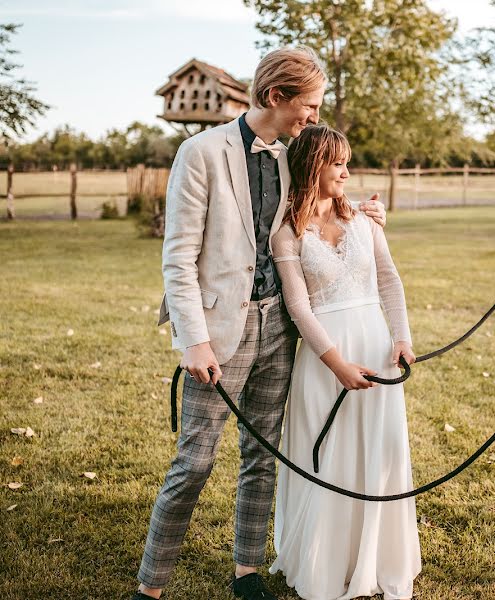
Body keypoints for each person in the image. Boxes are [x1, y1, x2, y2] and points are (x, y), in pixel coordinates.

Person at [134, 47, 386, 600]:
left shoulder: (293, 155)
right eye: (310, 106)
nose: (314, 117)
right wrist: (194, 340)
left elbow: (322, 201)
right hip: (220, 332)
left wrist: (366, 214)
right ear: (277, 97)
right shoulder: (200, 152)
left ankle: (246, 573)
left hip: (283, 329)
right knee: (195, 460)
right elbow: (178, 258)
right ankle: (150, 587)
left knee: (262, 455)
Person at [269, 123, 421, 600]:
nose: (348, 173)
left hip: (376, 347)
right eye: (339, 164)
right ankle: (325, 563)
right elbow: (299, 308)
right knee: (329, 456)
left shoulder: (363, 220)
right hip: (324, 358)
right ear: (314, 165)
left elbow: (389, 280)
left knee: (377, 452)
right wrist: (336, 364)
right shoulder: (286, 234)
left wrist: (401, 339)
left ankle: (375, 560)